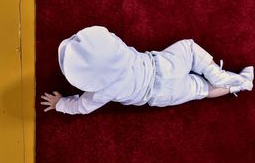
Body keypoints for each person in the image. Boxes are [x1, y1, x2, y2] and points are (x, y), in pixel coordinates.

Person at [40, 26, 253, 115]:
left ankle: (242, 83)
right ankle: (212, 69)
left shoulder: (100, 91)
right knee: (188, 48)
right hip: (160, 65)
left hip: (159, 94)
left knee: (202, 89)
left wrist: (60, 104)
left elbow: (82, 106)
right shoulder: (120, 49)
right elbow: (107, 38)